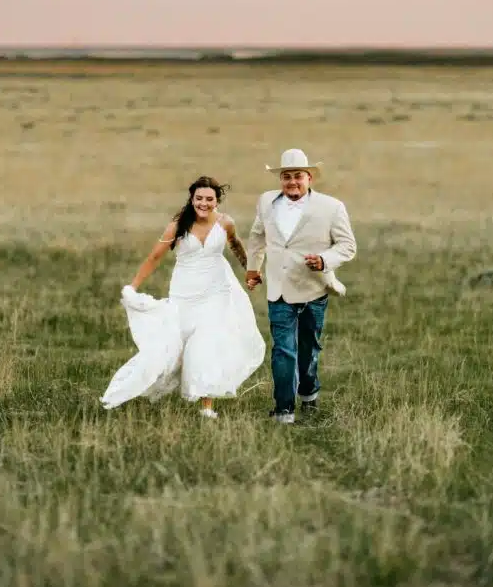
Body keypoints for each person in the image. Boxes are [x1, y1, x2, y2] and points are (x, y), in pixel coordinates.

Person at [99, 176, 266, 418]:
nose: (203, 203)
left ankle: (206, 406)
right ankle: (138, 386)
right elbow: (154, 257)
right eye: (199, 198)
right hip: (184, 293)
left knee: (206, 343)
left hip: (216, 291)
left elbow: (237, 246)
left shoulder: (225, 223)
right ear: (192, 198)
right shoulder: (178, 225)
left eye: (209, 199)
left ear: (216, 201)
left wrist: (250, 272)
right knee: (173, 347)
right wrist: (132, 287)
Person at [245, 148, 357, 424]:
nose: (292, 182)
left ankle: (309, 394)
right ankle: (284, 410)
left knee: (308, 350)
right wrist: (252, 269)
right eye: (286, 177)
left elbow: (347, 246)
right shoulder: (266, 202)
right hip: (279, 290)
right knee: (283, 349)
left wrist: (323, 260)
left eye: (298, 176)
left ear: (309, 178)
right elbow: (258, 237)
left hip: (313, 290)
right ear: (280, 179)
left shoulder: (331, 207)